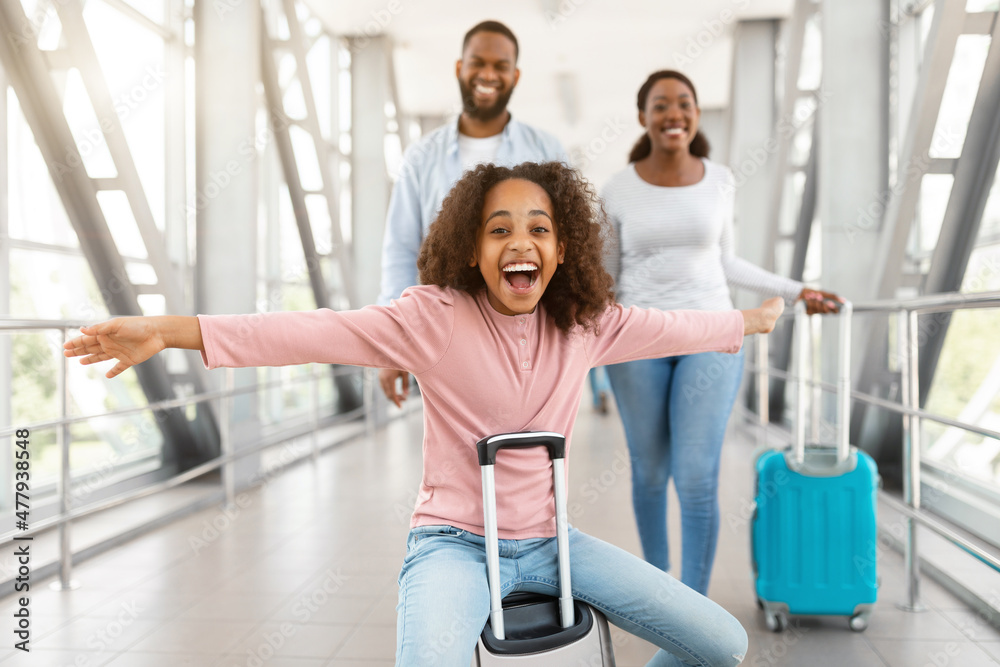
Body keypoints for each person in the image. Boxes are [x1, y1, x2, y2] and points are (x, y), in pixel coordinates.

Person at [66, 161, 784, 667]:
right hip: (453, 543)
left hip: (551, 543)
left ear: (562, 249)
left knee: (721, 642)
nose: (520, 243)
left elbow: (673, 327)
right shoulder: (432, 318)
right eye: (499, 229)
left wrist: (747, 322)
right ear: (473, 249)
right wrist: (171, 329)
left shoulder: (584, 323)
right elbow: (308, 330)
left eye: (538, 228)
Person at [601, 70, 843, 596]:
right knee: (649, 471)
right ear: (643, 116)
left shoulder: (719, 178)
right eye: (661, 104)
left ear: (695, 114)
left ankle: (693, 604)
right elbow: (607, 278)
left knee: (695, 475)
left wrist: (799, 290)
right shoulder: (617, 188)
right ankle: (658, 587)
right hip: (638, 338)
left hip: (711, 332)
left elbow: (727, 262)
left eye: (684, 103)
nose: (673, 113)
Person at [376, 20, 567, 408]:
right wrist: (391, 341)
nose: (488, 74)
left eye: (500, 66)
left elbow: (568, 243)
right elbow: (400, 250)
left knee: (527, 448)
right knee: (456, 453)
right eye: (477, 62)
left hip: (527, 332)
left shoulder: (547, 149)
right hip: (445, 333)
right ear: (459, 68)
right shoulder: (421, 158)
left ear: (515, 76)